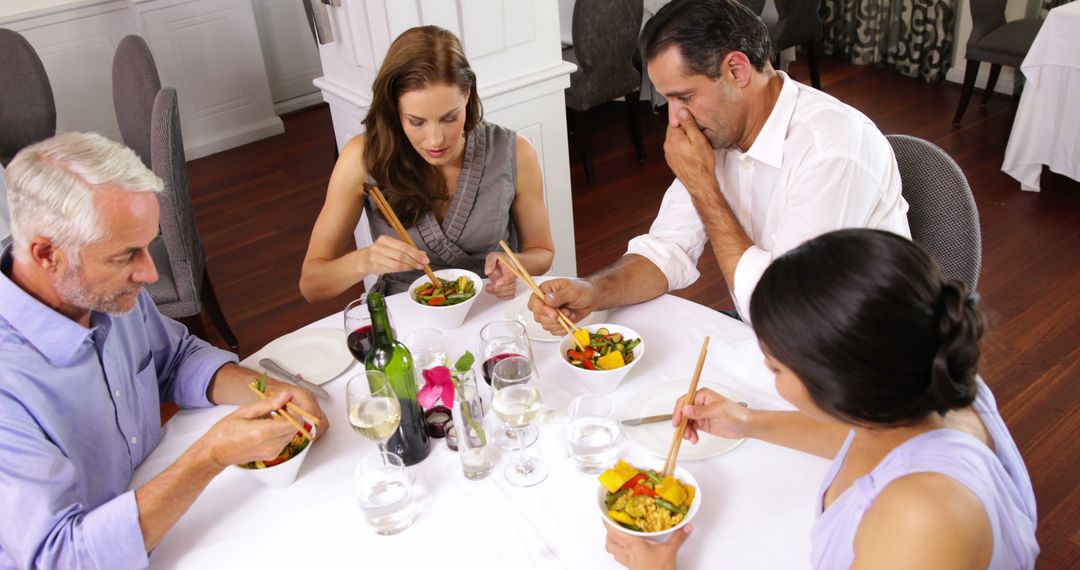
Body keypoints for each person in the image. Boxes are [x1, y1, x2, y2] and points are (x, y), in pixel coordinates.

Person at [604, 229, 1039, 569]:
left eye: (774, 368)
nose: (770, 375)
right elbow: (855, 440)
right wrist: (745, 420)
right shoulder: (922, 386)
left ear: (840, 383)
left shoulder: (921, 517)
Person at [0, 132, 330, 569]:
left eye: (148, 246)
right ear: (47, 255)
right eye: (126, 255)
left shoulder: (103, 294)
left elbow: (175, 357)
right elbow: (59, 559)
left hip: (164, 514)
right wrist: (212, 454)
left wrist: (267, 389)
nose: (151, 274)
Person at [528, 0, 909, 329]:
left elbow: (786, 313)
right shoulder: (721, 130)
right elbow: (668, 248)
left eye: (684, 96)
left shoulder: (831, 150)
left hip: (856, 359)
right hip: (771, 337)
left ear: (737, 70)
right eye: (667, 100)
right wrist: (593, 291)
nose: (675, 118)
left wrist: (703, 187)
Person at [300, 25, 555, 301]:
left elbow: (542, 252)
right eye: (416, 122)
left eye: (449, 118)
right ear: (395, 109)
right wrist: (363, 261)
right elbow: (311, 285)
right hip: (405, 319)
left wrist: (516, 266)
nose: (435, 140)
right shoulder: (362, 157)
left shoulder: (515, 152)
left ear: (467, 95)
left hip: (490, 306)